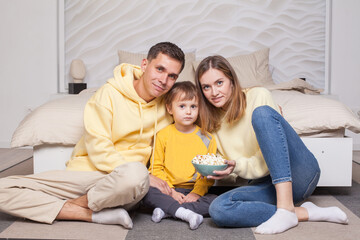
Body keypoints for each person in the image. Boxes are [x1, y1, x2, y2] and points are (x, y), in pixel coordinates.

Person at [0, 42, 185, 229]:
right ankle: (86, 213)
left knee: (136, 174)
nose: (164, 80)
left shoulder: (171, 106)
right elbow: (99, 147)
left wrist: (148, 176)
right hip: (85, 173)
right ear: (144, 65)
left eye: (172, 76)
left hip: (126, 185)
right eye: (159, 69)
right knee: (2, 189)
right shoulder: (108, 94)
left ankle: (68, 206)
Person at [194, 55, 349, 234]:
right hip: (263, 182)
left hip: (298, 174)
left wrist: (239, 164)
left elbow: (273, 151)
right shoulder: (210, 122)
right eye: (206, 87)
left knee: (262, 114)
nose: (214, 92)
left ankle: (285, 209)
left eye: (219, 82)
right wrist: (228, 168)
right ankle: (302, 212)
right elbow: (230, 166)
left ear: (232, 81)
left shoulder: (258, 96)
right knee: (219, 209)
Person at [142, 81, 218, 230]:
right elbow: (156, 168)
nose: (188, 112)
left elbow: (207, 175)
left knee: (217, 203)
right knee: (146, 194)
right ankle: (184, 212)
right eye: (182, 106)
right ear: (170, 108)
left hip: (193, 191)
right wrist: (171, 192)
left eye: (193, 106)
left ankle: (167, 210)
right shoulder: (162, 135)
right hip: (166, 189)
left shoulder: (208, 138)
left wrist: (196, 193)